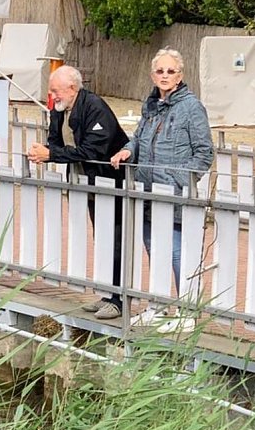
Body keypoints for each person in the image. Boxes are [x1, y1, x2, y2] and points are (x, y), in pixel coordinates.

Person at [111, 48, 213, 333]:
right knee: (154, 250)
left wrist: (176, 178)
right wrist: (127, 151)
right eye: (160, 71)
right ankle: (156, 306)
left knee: (179, 253)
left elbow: (204, 154)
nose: (165, 76)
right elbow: (139, 139)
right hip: (147, 191)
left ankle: (188, 311)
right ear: (152, 74)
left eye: (171, 71)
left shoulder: (191, 107)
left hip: (174, 194)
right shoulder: (151, 105)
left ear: (180, 75)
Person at [27, 65, 129, 320]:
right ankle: (107, 293)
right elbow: (56, 143)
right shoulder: (58, 110)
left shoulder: (95, 107)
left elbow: (92, 150)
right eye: (51, 92)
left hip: (111, 183)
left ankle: (119, 299)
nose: (52, 96)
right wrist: (45, 152)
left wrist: (51, 154)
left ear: (72, 89)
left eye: (56, 91)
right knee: (102, 240)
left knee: (116, 240)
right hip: (89, 185)